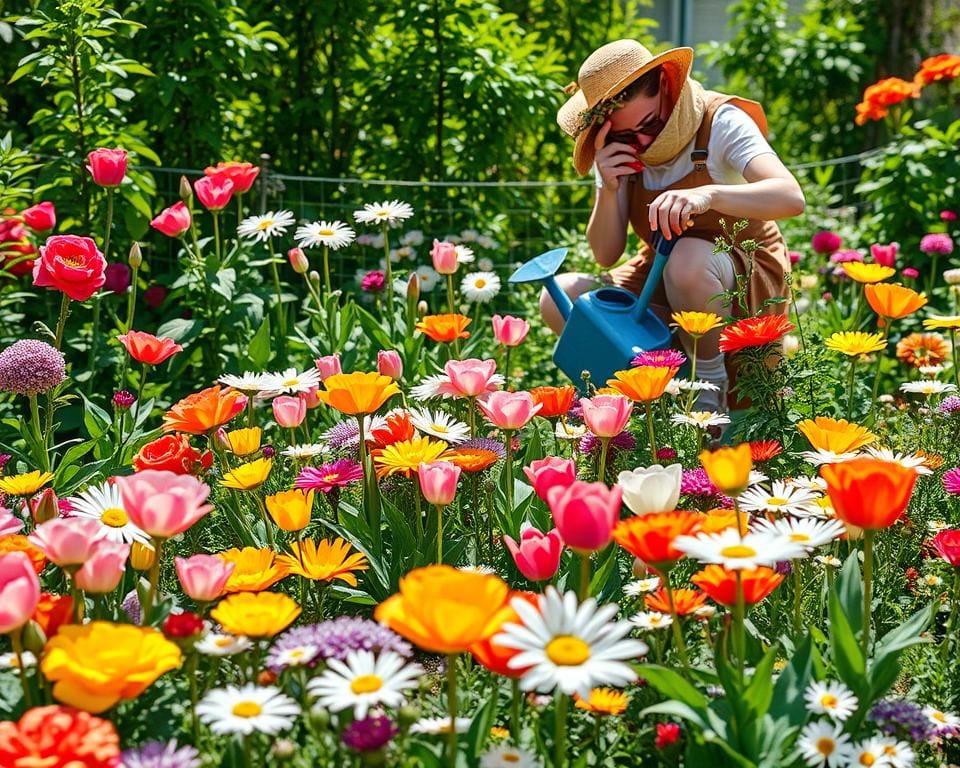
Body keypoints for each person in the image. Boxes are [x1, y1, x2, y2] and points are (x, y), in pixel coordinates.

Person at [543, 40, 804, 412]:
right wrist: (609, 186)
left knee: (688, 258)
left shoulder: (719, 121)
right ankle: (631, 407)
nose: (643, 142)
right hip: (659, 269)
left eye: (648, 124)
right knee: (560, 297)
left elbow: (791, 197)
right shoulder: (622, 152)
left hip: (741, 271)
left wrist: (709, 196)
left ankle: (709, 390)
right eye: (626, 135)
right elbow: (605, 254)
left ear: (667, 84)